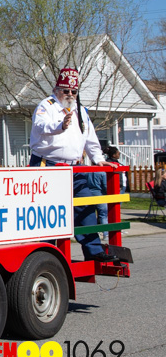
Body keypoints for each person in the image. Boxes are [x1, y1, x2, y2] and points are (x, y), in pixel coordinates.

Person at [29, 67, 117, 262]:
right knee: (48, 211)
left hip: (75, 168)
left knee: (86, 206)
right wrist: (60, 126)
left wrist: (98, 158)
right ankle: (45, 255)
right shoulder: (47, 106)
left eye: (74, 91)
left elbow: (90, 138)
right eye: (66, 90)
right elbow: (40, 126)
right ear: (56, 90)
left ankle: (94, 252)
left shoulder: (81, 111)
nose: (70, 94)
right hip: (48, 164)